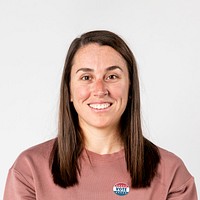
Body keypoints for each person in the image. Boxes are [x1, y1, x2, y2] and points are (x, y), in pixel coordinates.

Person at [4, 30, 198, 199]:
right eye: (86, 77)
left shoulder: (171, 172)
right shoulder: (29, 170)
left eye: (112, 76)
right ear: (69, 90)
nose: (99, 90)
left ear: (130, 89)